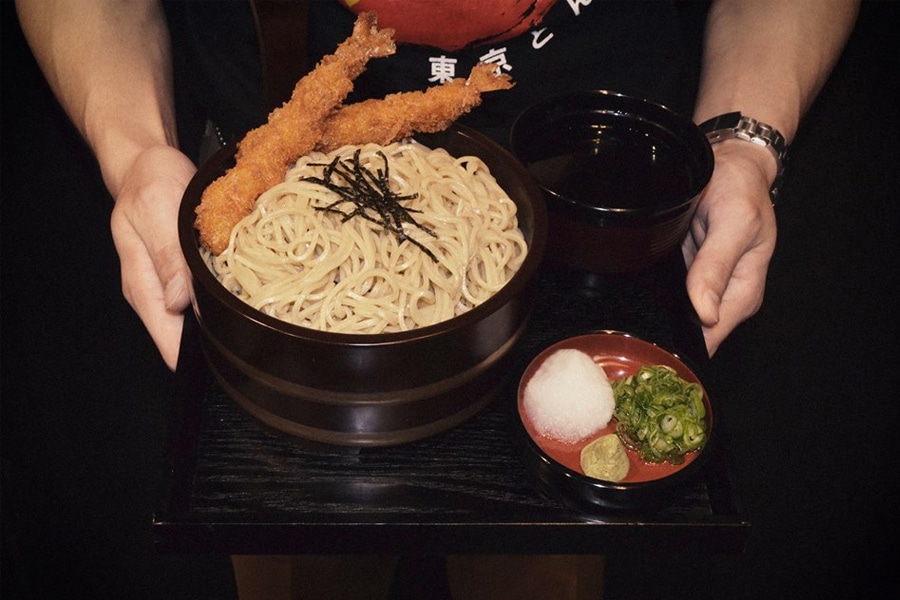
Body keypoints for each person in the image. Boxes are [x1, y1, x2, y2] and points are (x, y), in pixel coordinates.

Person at [12, 1, 859, 598]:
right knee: (295, 560)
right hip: (262, 207)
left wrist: (746, 142)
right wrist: (134, 154)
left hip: (597, 198)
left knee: (548, 564)